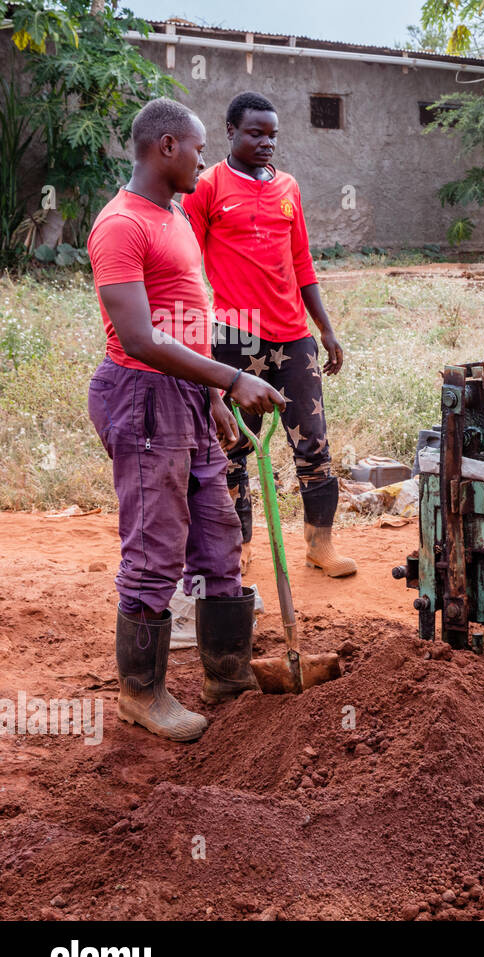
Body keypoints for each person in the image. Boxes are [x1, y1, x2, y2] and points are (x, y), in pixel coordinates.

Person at [87, 98, 285, 742]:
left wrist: (213, 400)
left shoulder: (170, 214)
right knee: (155, 552)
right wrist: (231, 377)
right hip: (142, 399)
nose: (206, 158)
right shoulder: (121, 225)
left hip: (185, 400)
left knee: (218, 539)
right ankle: (139, 694)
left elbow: (182, 322)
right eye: (199, 148)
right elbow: (142, 338)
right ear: (167, 146)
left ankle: (226, 673)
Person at [183, 90, 355, 578]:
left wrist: (325, 328)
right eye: (256, 133)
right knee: (234, 446)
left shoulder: (288, 188)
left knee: (314, 442)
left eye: (273, 135)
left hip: (293, 338)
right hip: (235, 340)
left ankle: (319, 546)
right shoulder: (207, 187)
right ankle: (239, 546)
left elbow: (302, 263)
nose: (266, 143)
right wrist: (195, 338)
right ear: (231, 133)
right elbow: (188, 269)